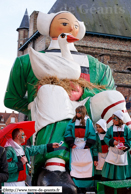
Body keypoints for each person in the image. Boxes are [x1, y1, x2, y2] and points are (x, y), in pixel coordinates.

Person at [4, 10, 131, 192]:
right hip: (52, 112)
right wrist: (36, 105)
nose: (72, 27)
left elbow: (105, 95)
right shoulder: (25, 63)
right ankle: (54, 167)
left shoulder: (100, 67)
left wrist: (82, 92)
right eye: (65, 23)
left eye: (75, 25)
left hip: (85, 111)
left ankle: (126, 152)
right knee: (51, 91)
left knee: (114, 96)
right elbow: (11, 99)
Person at [4, 128, 59, 194]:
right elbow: (5, 167)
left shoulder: (24, 149)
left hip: (21, 183)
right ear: (18, 136)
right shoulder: (8, 151)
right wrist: (20, 163)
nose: (25, 136)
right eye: (23, 134)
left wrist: (50, 146)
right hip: (11, 185)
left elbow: (36, 149)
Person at [64, 106, 96, 193]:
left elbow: (92, 134)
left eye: (79, 112)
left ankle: (87, 187)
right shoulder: (72, 121)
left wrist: (88, 145)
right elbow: (68, 132)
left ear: (83, 113)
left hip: (85, 145)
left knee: (87, 165)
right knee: (75, 165)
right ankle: (76, 185)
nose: (77, 114)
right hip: (75, 145)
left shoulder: (88, 121)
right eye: (76, 112)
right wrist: (71, 143)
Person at [102, 110, 131, 180]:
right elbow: (106, 138)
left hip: (123, 153)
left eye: (115, 118)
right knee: (111, 170)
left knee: (122, 169)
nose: (113, 120)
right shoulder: (111, 128)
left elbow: (130, 139)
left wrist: (126, 146)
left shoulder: (126, 128)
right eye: (112, 118)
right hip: (113, 151)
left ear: (120, 119)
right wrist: (112, 142)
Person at [92, 119, 108, 187]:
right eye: (97, 127)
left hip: (108, 156)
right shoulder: (96, 136)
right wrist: (95, 159)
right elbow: (95, 148)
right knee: (99, 172)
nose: (98, 128)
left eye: (100, 127)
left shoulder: (108, 135)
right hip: (99, 155)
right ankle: (98, 187)